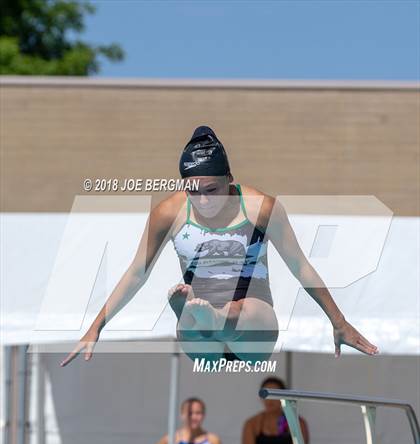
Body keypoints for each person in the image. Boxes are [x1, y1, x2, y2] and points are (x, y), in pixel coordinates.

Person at [60, 125, 379, 367]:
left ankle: (211, 315)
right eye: (192, 191)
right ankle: (201, 316)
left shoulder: (260, 209)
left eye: (211, 189)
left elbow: (300, 267)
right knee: (196, 322)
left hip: (254, 333)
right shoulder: (169, 213)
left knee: (245, 309)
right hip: (202, 344)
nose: (203, 199)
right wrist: (95, 327)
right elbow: (136, 274)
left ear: (230, 178)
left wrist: (338, 321)